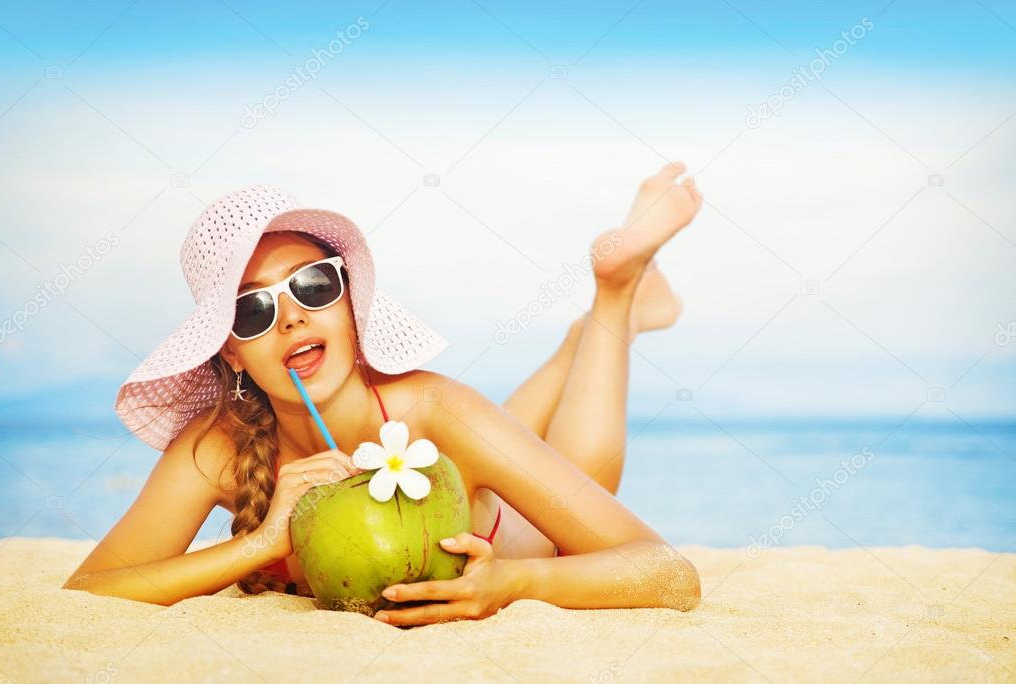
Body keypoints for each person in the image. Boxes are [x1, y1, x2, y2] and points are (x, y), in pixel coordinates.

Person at [63, 161, 703, 626]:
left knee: (577, 466)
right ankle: (574, 342)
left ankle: (613, 300)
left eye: (313, 286)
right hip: (457, 447)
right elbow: (91, 589)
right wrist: (262, 543)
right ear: (229, 348)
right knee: (497, 436)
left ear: (348, 304)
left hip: (528, 536)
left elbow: (668, 572)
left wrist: (516, 582)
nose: (289, 319)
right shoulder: (218, 446)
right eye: (252, 310)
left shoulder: (434, 408)